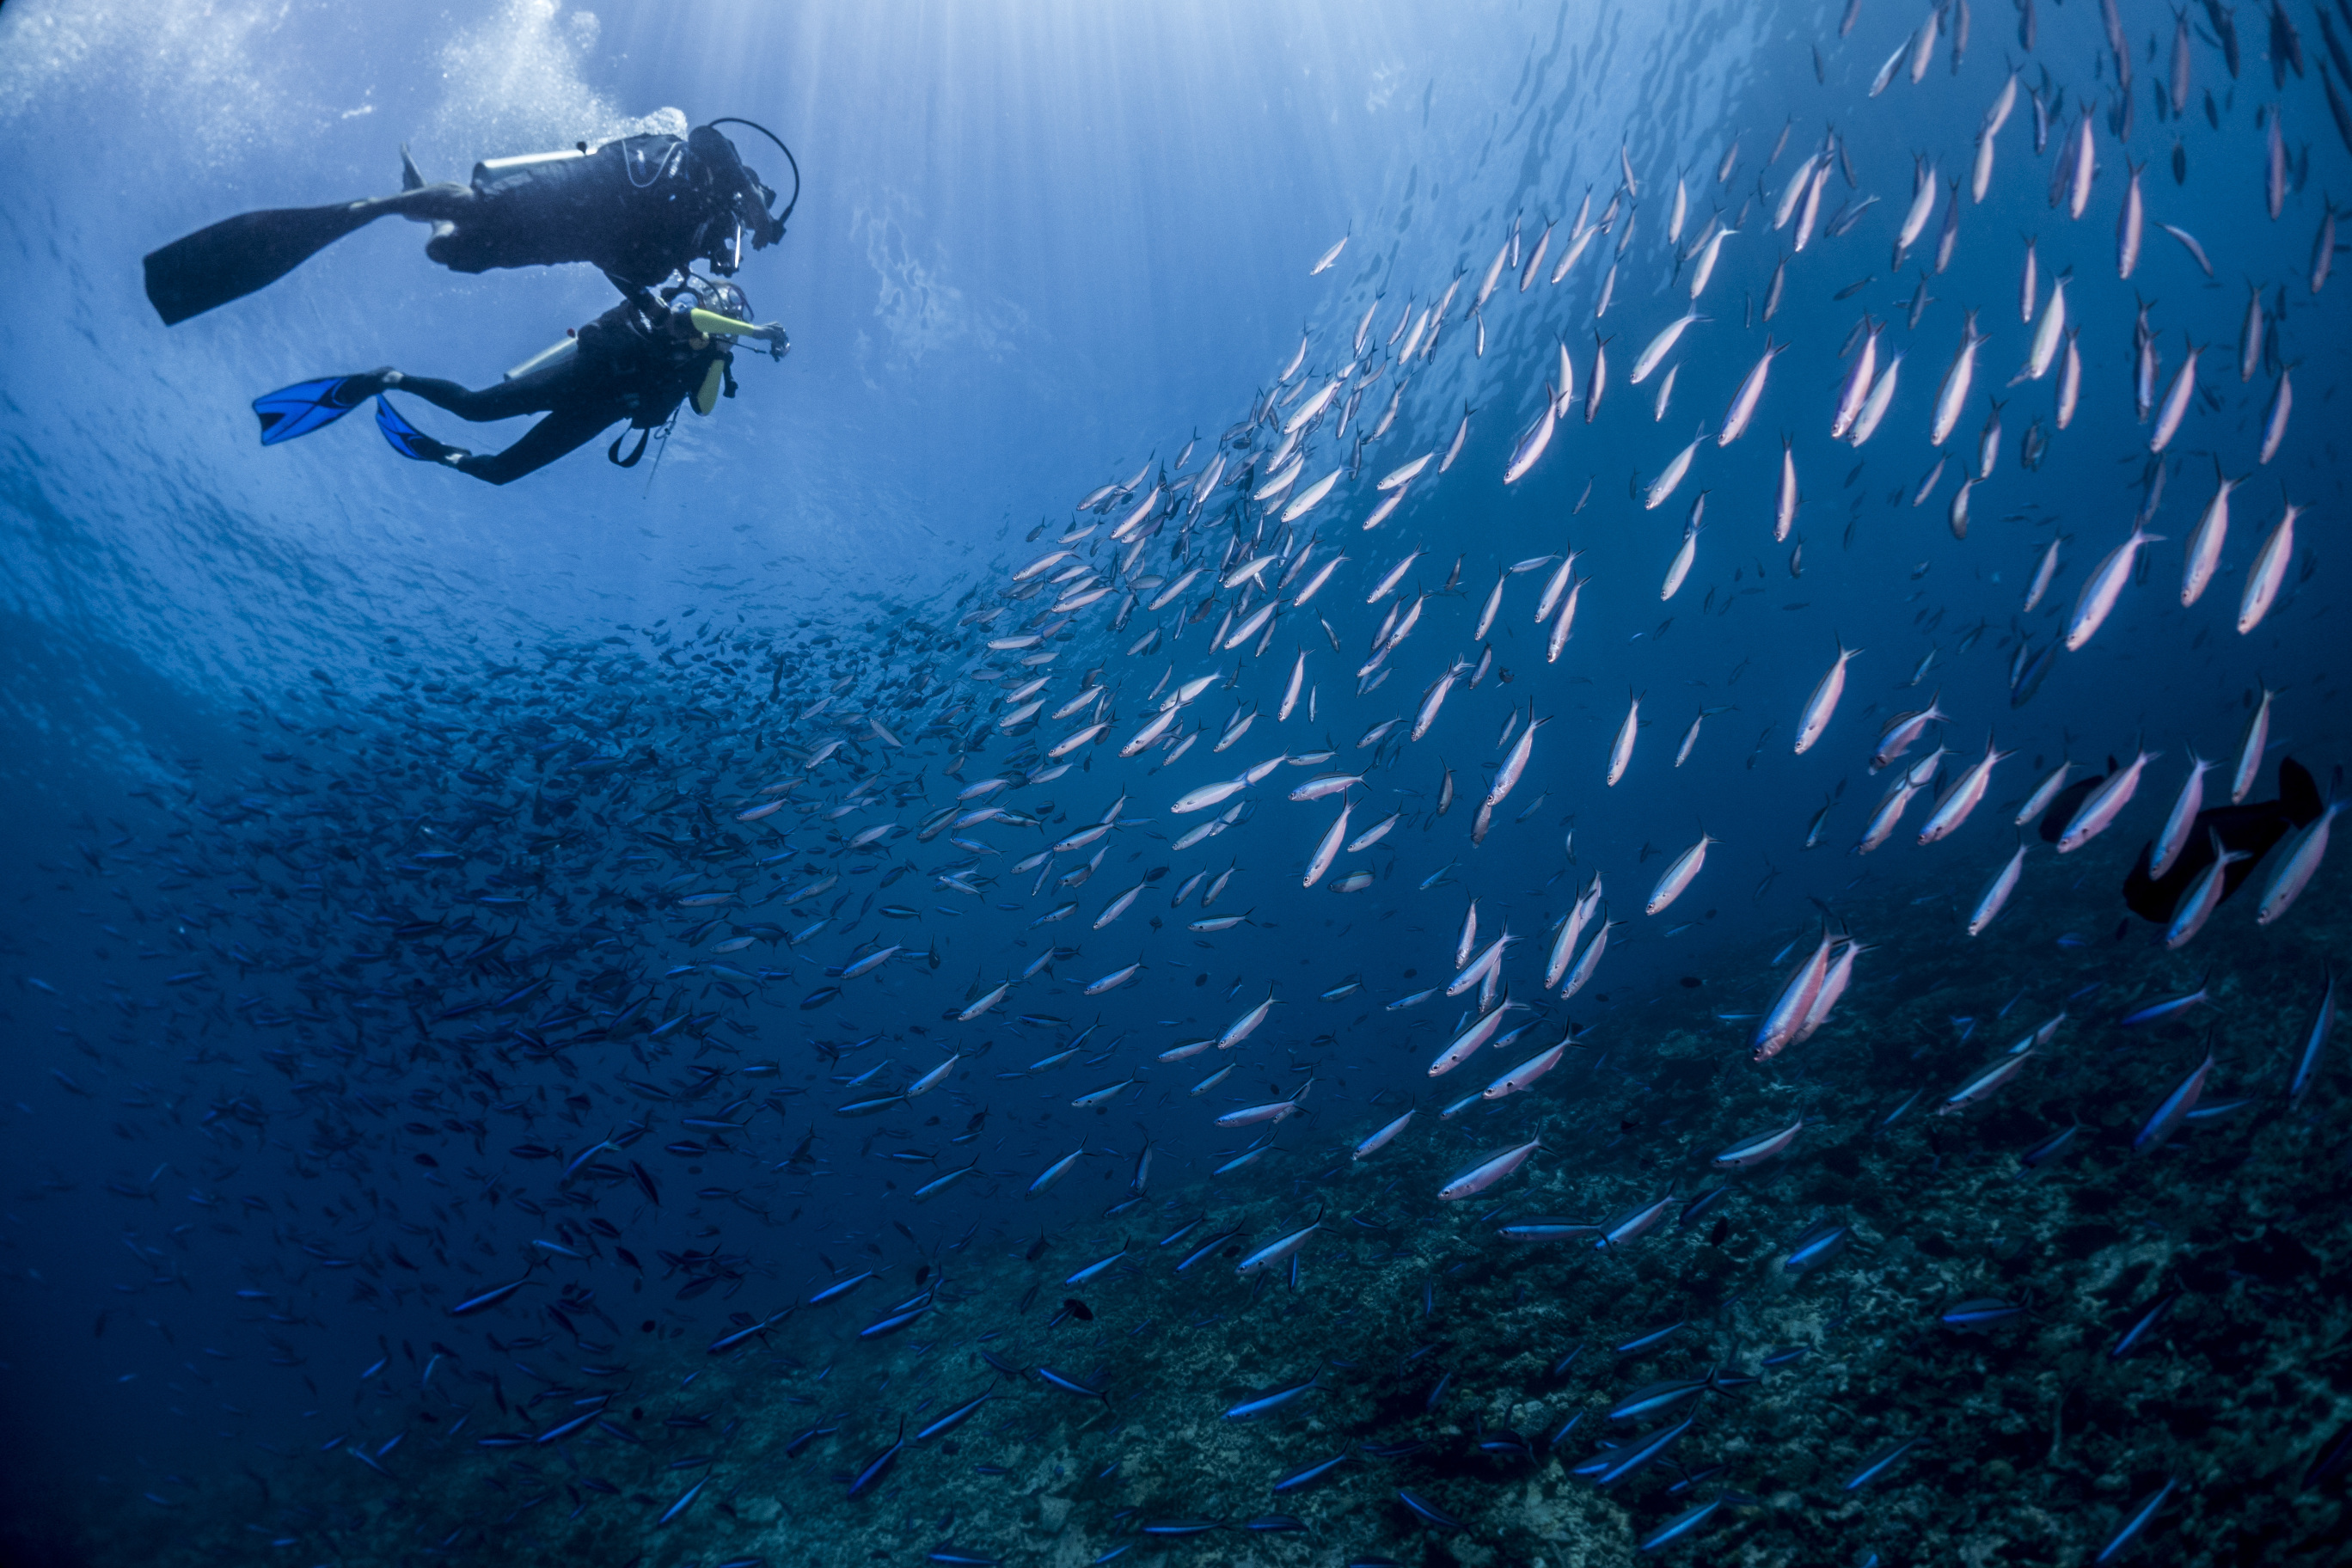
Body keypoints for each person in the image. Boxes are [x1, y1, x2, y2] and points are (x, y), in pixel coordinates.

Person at [144, 118, 795, 326]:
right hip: (590, 189)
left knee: (451, 256)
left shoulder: (689, 243)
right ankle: (388, 205)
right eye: (742, 226)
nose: (735, 242)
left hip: (571, 241)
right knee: (483, 207)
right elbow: (710, 136)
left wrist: (648, 304)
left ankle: (417, 204)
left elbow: (622, 264)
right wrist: (757, 206)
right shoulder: (711, 169)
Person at [251, 279, 787, 486]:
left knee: (501, 473)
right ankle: (390, 378)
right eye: (724, 312)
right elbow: (695, 322)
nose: (720, 322)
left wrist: (720, 357)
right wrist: (754, 331)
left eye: (730, 322)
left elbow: (706, 409)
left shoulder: (708, 357)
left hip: (598, 413)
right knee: (476, 408)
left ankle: (442, 455)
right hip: (582, 377)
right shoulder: (679, 315)